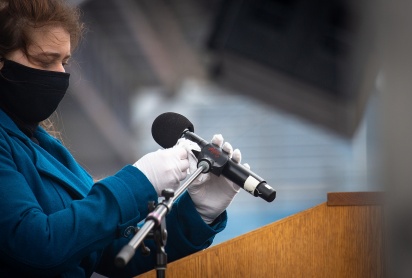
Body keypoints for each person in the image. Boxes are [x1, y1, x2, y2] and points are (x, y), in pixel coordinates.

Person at [0, 0, 244, 277]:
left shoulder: (46, 148)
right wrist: (140, 180)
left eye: (64, 61)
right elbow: (34, 244)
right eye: (45, 60)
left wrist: (199, 213)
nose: (61, 74)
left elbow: (114, 253)